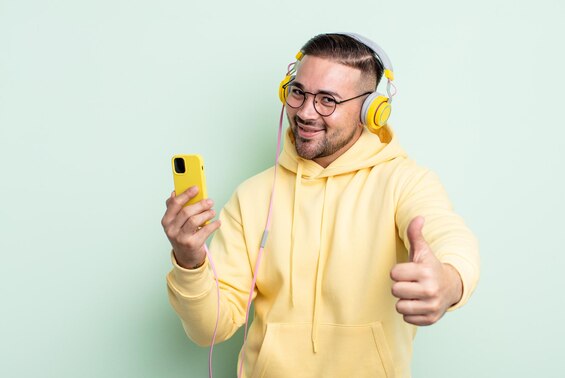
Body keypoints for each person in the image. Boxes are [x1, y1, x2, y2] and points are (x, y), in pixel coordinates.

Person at [162, 33, 480, 378]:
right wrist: (190, 263)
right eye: (298, 92)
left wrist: (450, 282)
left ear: (370, 111)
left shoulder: (405, 182)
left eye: (327, 100)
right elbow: (209, 329)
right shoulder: (253, 196)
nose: (305, 112)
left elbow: (450, 236)